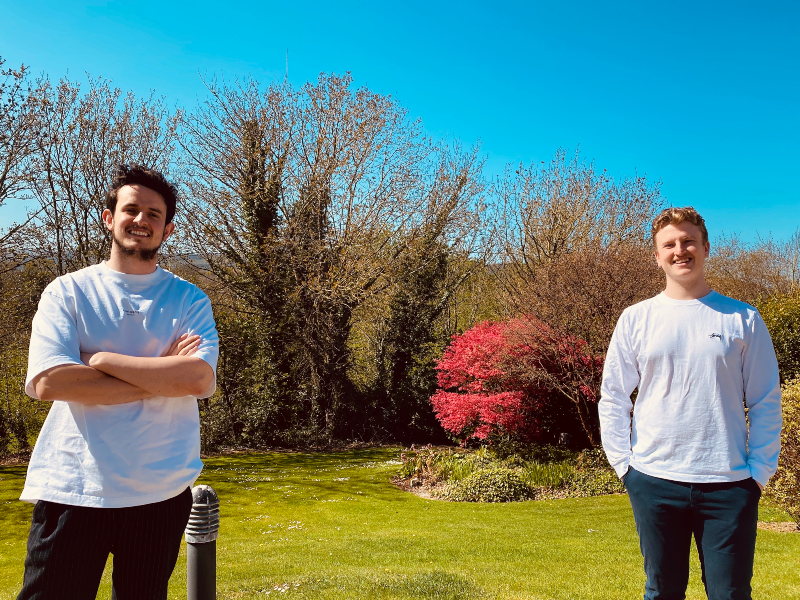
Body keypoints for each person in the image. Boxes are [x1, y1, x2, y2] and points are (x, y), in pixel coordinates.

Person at [17, 164, 219, 600]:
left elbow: (198, 376)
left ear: (167, 228)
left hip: (160, 493)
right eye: (131, 209)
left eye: (154, 214)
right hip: (75, 488)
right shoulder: (67, 292)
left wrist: (102, 360)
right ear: (110, 218)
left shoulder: (188, 299)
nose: (141, 221)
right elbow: (52, 381)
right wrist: (161, 375)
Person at [599, 206, 782, 600]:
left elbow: (766, 399)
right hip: (653, 480)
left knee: (730, 594)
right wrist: (624, 465)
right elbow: (613, 396)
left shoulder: (743, 318)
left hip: (730, 484)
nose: (680, 250)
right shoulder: (636, 319)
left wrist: (759, 472)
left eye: (688, 241)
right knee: (661, 592)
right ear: (657, 255)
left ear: (705, 248)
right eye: (670, 244)